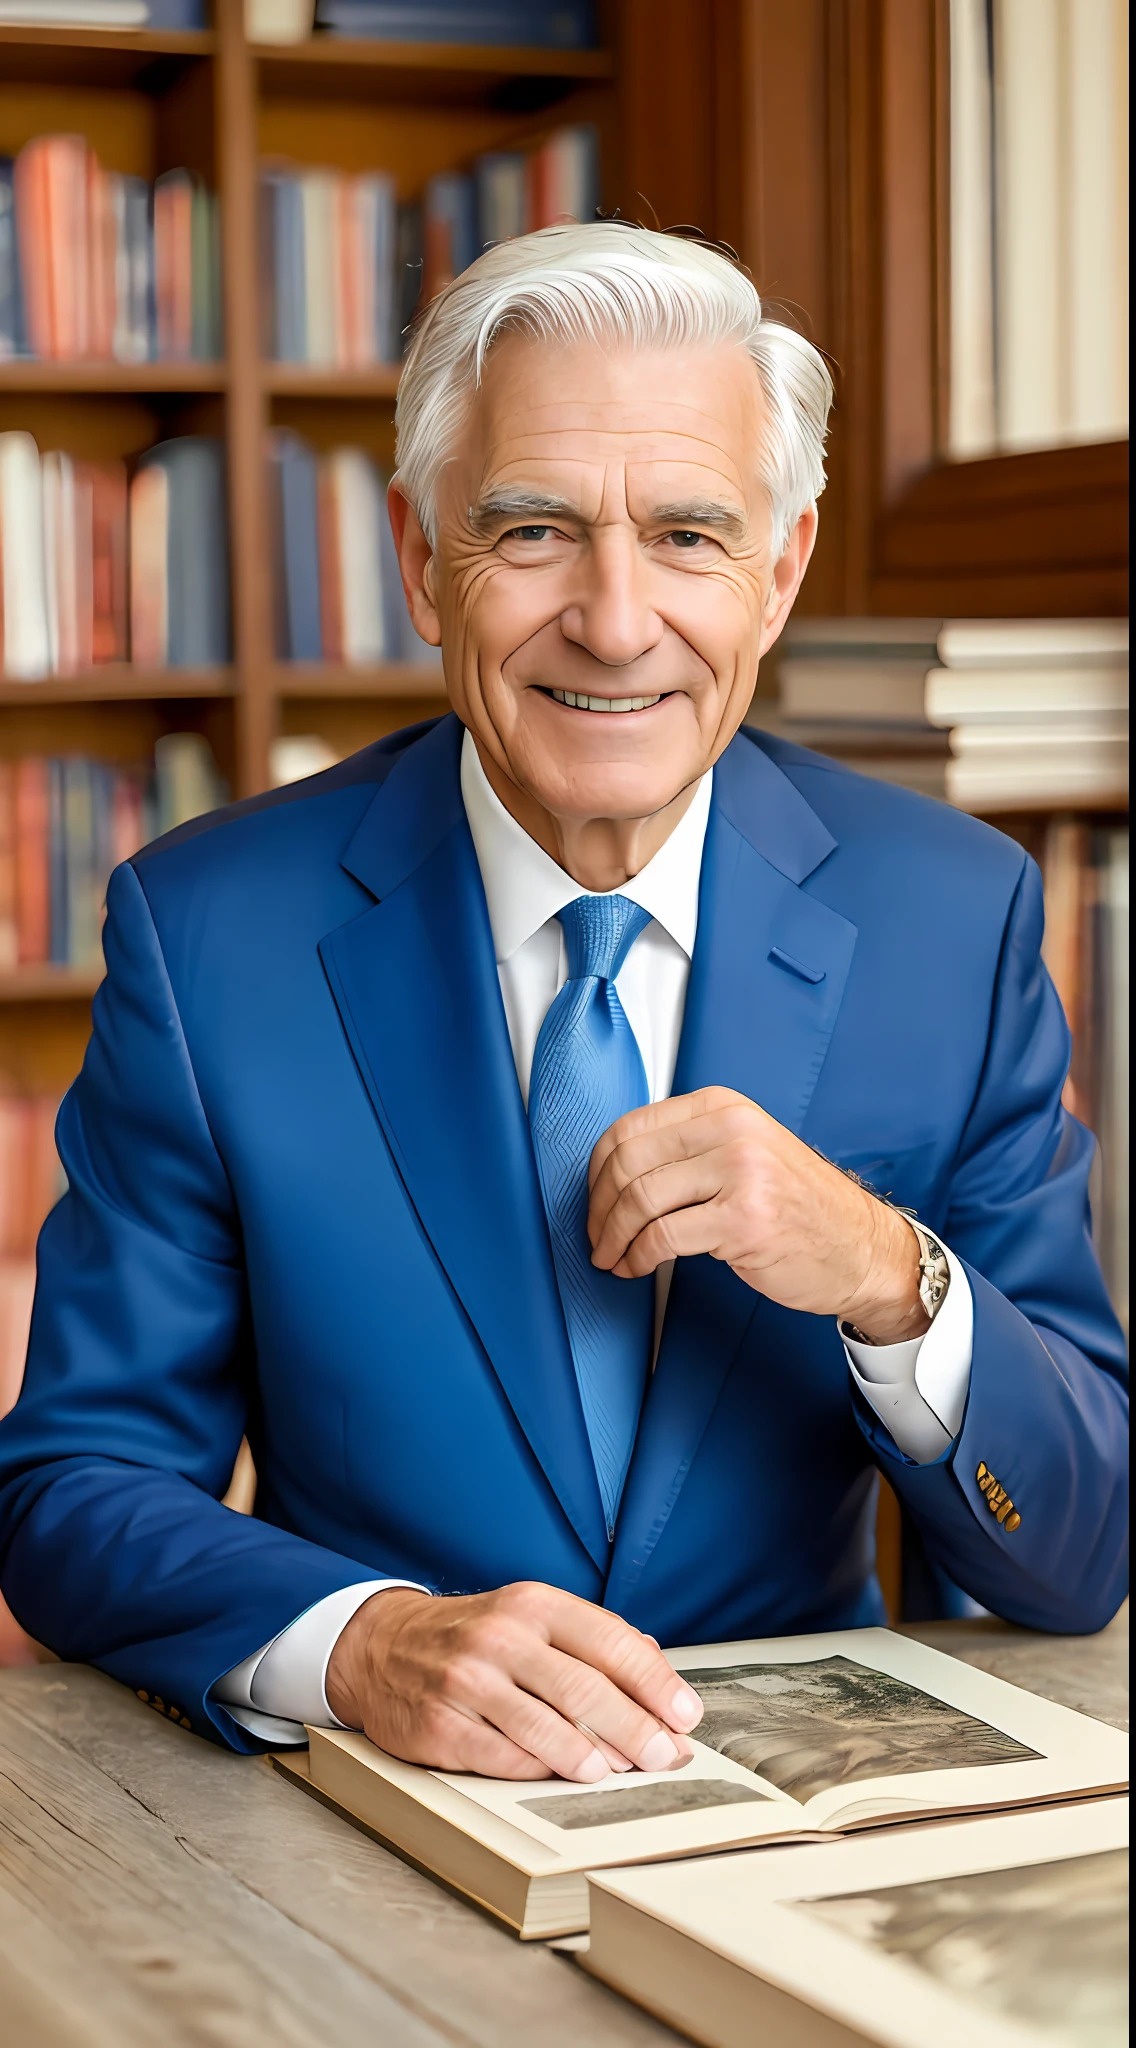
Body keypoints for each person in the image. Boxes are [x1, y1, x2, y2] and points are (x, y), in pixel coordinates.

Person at [0, 226, 1126, 1783]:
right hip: (368, 1837)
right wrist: (364, 1643)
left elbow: (1082, 1546)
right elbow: (72, 1487)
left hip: (808, 1838)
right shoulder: (207, 937)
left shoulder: (955, 913)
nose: (612, 620)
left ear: (781, 569)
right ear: (420, 558)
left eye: (688, 534)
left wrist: (883, 1270)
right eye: (532, 532)